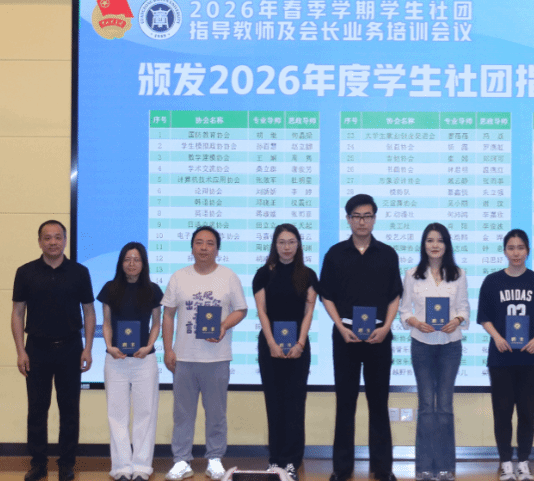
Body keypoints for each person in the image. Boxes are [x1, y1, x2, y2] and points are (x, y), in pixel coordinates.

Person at [320, 194, 403, 481]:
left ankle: (383, 468)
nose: (362, 221)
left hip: (379, 337)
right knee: (345, 403)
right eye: (356, 216)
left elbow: (395, 295)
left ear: (374, 219)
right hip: (345, 337)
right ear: (348, 219)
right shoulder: (335, 254)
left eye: (367, 216)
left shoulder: (388, 254)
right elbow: (326, 295)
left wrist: (387, 327)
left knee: (379, 404)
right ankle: (342, 469)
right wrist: (340, 327)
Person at [162, 226, 248, 481]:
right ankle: (181, 461)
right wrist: (168, 349)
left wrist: (223, 325)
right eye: (199, 242)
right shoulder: (179, 277)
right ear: (192, 247)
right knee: (182, 414)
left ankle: (215, 459)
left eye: (210, 243)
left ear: (217, 249)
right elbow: (168, 315)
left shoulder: (228, 277)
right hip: (184, 358)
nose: (204, 248)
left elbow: (241, 310)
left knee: (216, 414)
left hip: (217, 358)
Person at [11, 219, 96, 481]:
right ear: (39, 242)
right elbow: (17, 313)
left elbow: (89, 312)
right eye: (47, 238)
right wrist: (20, 351)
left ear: (65, 241)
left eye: (58, 237)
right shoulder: (25, 272)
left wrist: (88, 348)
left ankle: (66, 464)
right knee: (37, 410)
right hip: (36, 349)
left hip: (71, 348)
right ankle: (38, 464)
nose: (53, 242)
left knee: (69, 410)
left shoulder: (79, 272)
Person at [477, 229, 534, 481]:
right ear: (504, 251)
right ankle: (506, 463)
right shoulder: (492, 281)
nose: (516, 252)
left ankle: (524, 462)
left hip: (530, 357)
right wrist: (497, 337)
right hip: (501, 358)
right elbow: (484, 317)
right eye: (511, 247)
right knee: (502, 413)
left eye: (520, 247)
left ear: (528, 251)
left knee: (527, 413)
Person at [399, 223, 470, 481]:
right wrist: (416, 322)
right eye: (430, 240)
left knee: (446, 406)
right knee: (427, 405)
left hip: (450, 345)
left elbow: (464, 308)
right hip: (422, 346)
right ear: (424, 245)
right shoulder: (412, 275)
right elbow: (404, 311)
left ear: (447, 244)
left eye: (440, 240)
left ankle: (446, 467)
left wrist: (457, 320)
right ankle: (424, 467)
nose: (435, 245)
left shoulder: (458, 274)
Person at [253, 224, 318, 481]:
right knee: (274, 403)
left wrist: (300, 343)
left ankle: (291, 462)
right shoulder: (263, 274)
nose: (287, 247)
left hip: (299, 347)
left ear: (298, 244)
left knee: (295, 404)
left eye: (291, 242)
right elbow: (261, 311)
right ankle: (275, 460)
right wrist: (271, 342)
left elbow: (309, 312)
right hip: (269, 346)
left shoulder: (308, 275)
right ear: (275, 245)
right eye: (282, 242)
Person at [99, 242, 164, 481]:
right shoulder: (110, 288)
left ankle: (141, 467)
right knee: (116, 414)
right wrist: (109, 346)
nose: (132, 264)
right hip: (115, 359)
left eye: (137, 259)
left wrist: (148, 346)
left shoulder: (153, 290)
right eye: (127, 259)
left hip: (144, 359)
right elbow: (106, 322)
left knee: (146, 413)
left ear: (143, 263)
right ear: (121, 262)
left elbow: (156, 323)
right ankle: (121, 467)